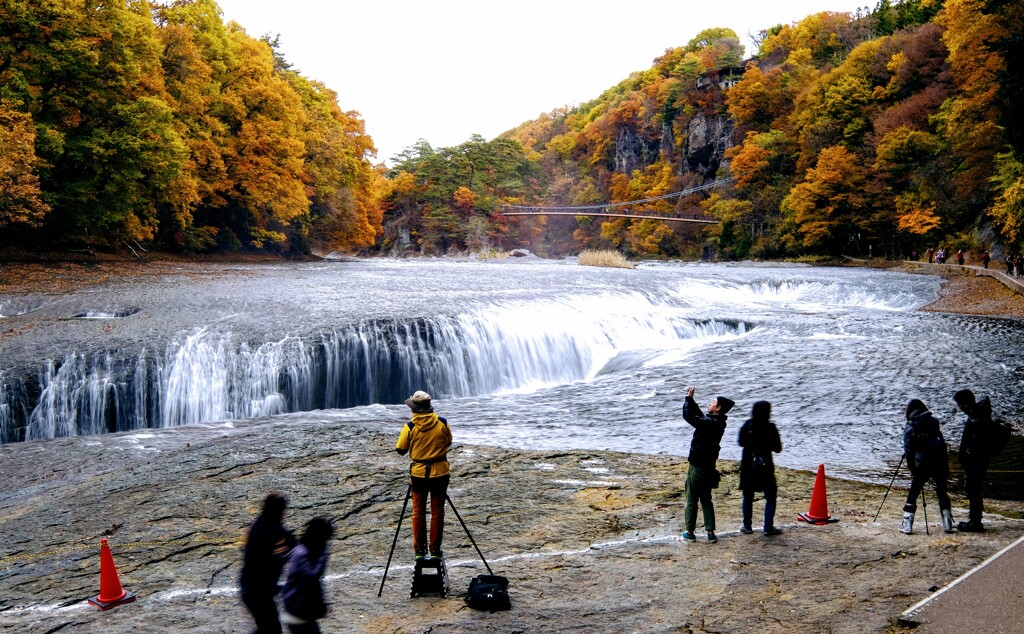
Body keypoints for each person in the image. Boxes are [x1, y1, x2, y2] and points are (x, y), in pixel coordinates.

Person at [396, 390, 453, 559]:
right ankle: (435, 550)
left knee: (418, 512)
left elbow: (400, 449)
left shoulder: (410, 427)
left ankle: (420, 551)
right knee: (438, 512)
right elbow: (449, 441)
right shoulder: (442, 423)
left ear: (415, 409)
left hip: (419, 474)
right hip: (440, 473)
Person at [681, 386, 732, 543]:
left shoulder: (710, 423)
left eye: (712, 402)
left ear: (718, 408)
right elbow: (699, 416)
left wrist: (688, 400)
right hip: (709, 468)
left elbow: (691, 417)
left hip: (697, 467)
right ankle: (710, 533)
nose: (710, 404)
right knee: (706, 500)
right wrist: (691, 400)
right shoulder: (718, 422)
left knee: (691, 499)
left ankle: (690, 532)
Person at [240, 492, 297, 634]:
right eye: (282, 509)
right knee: (271, 630)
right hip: (256, 590)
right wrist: (289, 554)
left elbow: (291, 542)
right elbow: (266, 562)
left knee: (268, 628)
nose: (284, 513)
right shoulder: (262, 531)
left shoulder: (269, 524)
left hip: (258, 588)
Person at [901, 399, 954, 534]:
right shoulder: (934, 421)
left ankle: (907, 525)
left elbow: (908, 450)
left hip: (922, 463)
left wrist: (912, 467)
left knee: (914, 492)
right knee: (942, 491)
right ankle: (947, 523)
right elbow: (941, 442)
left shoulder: (910, 426)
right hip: (939, 461)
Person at [738, 401, 783, 536]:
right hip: (765, 466)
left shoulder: (748, 425)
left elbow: (740, 442)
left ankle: (747, 525)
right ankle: (768, 527)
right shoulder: (771, 427)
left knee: (747, 495)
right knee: (770, 496)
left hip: (748, 465)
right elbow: (778, 448)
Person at [281, 517, 334, 633]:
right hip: (298, 611)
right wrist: (322, 555)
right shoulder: (303, 553)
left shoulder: (303, 549)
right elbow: (312, 577)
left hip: (298, 608)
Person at [954, 390, 994, 532]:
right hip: (980, 459)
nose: (959, 407)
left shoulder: (976, 419)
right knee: (974, 488)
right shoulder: (980, 414)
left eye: (959, 404)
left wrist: (966, 456)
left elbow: (975, 442)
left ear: (965, 403)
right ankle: (975, 519)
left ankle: (975, 521)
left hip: (976, 461)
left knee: (973, 488)